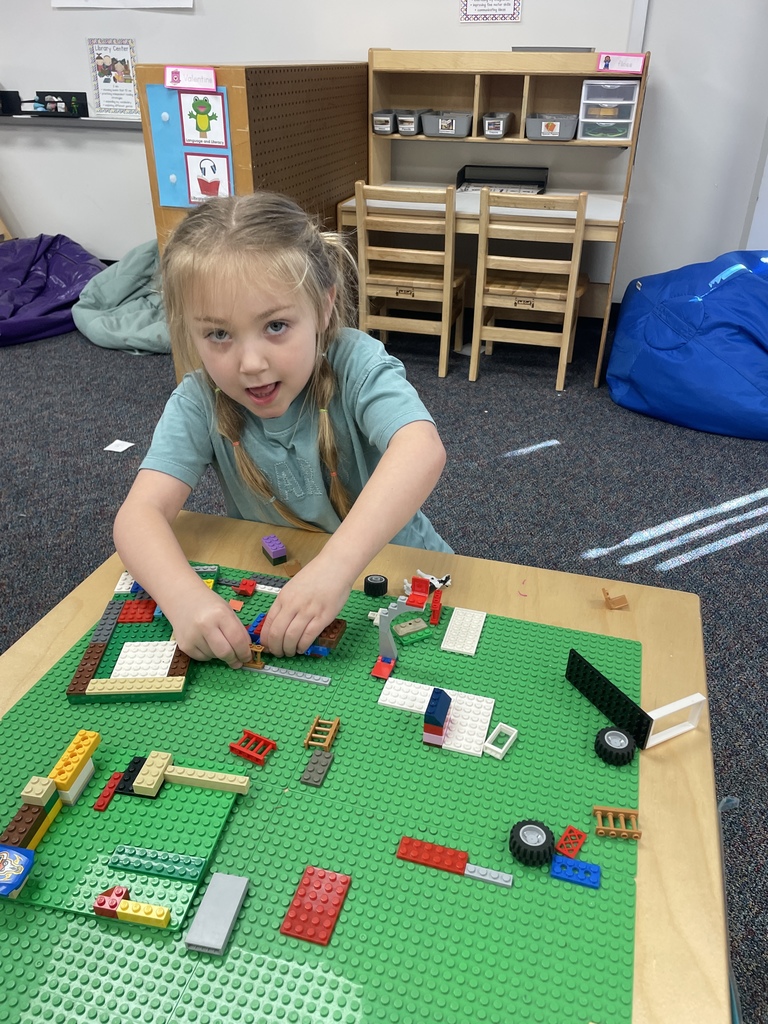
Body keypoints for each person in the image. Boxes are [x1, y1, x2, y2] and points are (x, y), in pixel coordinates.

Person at [113, 191, 450, 668]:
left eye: (275, 326)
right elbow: (137, 516)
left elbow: (421, 448)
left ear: (324, 307)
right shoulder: (198, 400)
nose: (251, 363)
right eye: (218, 334)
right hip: (288, 583)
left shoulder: (355, 362)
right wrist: (182, 598)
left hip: (409, 573)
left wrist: (334, 569)